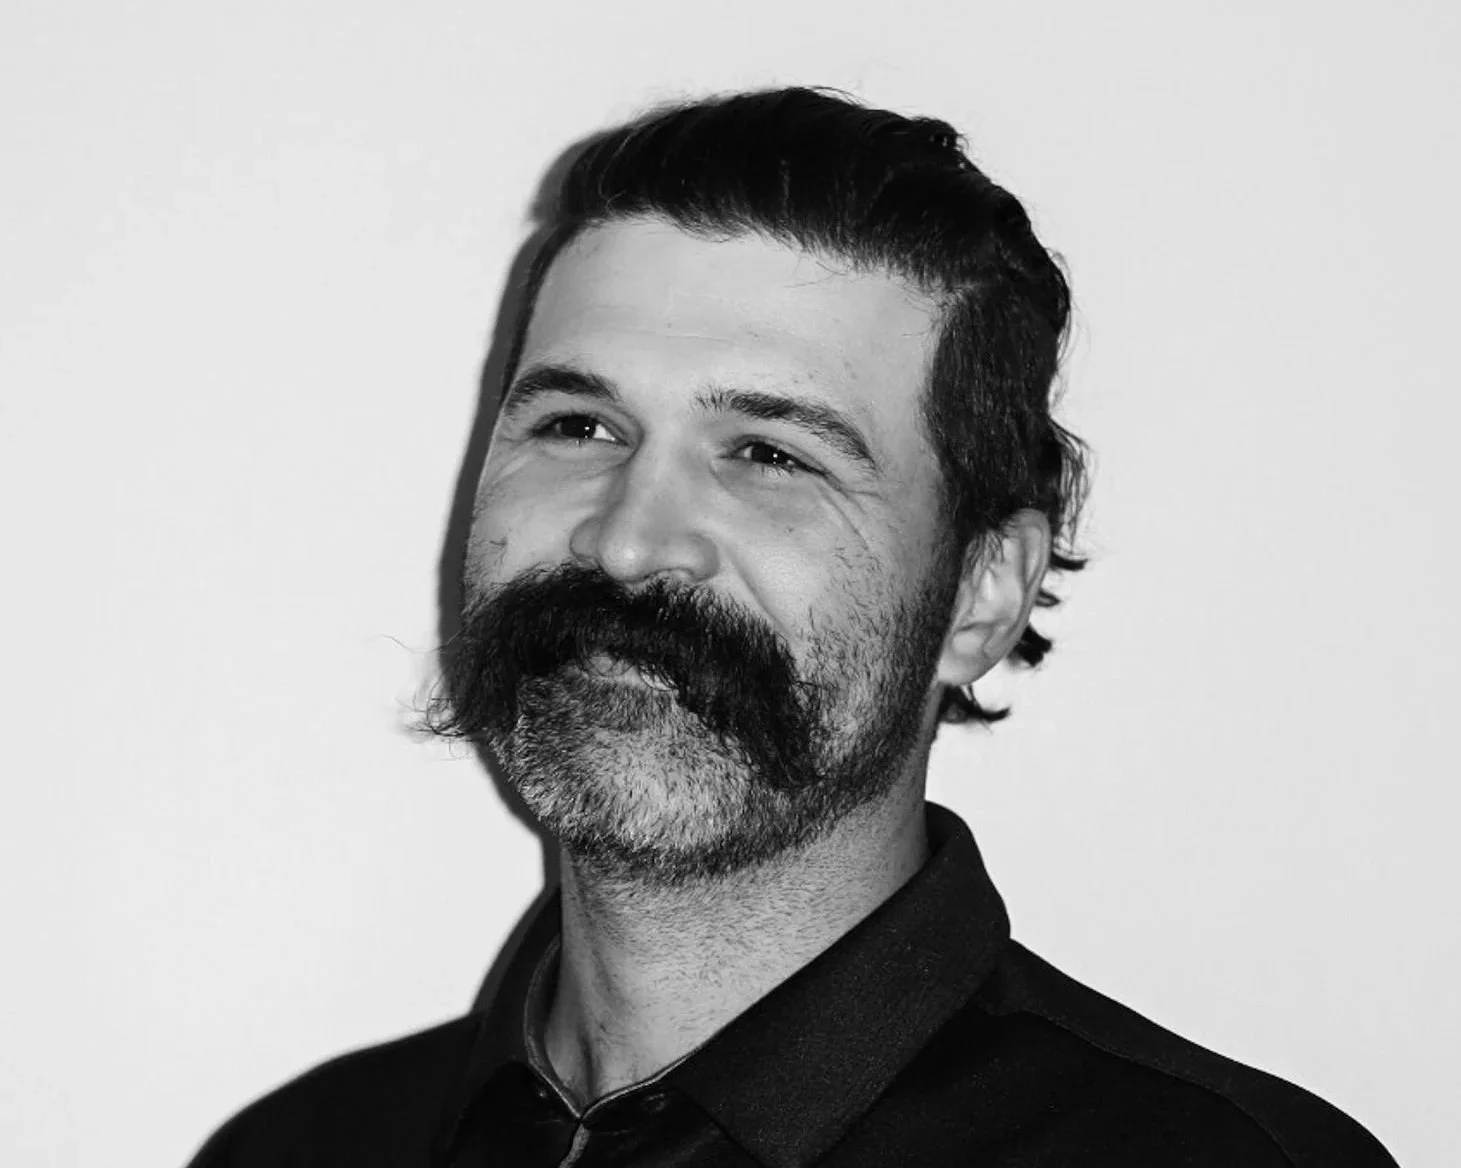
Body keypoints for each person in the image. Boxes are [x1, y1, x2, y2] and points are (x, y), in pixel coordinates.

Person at [187, 88, 1397, 1167]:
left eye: (768, 454)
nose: (628, 539)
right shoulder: (300, 1146)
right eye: (578, 427)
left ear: (983, 593)